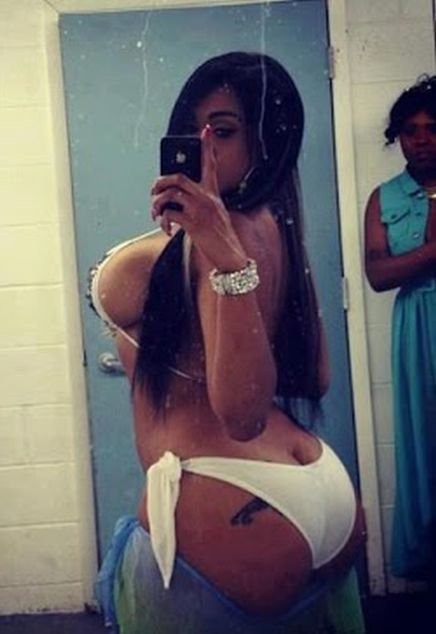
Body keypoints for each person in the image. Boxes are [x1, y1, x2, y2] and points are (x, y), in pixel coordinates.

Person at [89, 52, 366, 633]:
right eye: (194, 131)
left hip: (230, 495)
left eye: (224, 130)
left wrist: (225, 259)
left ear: (271, 140)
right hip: (316, 488)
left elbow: (241, 416)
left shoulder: (227, 238)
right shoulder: (273, 220)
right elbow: (314, 377)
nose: (205, 147)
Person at [364, 75, 436, 584]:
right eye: (411, 130)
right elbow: (377, 274)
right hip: (417, 328)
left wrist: (414, 259)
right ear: (399, 138)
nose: (423, 139)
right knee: (423, 439)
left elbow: (396, 266)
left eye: (433, 128)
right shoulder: (383, 198)